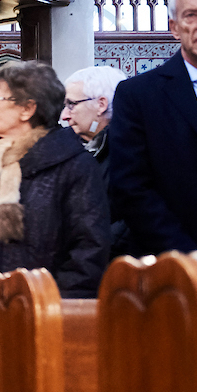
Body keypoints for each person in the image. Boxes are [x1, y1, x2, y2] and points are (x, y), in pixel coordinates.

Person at [0, 61, 110, 298]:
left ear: (27, 109)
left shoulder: (73, 165)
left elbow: (89, 252)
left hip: (48, 315)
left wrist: (47, 304)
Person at [109, 0, 197, 255]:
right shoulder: (138, 95)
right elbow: (131, 188)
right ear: (174, 27)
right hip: (170, 262)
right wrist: (187, 257)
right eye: (191, 15)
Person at [62, 65, 129, 254]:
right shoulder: (71, 148)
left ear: (101, 104)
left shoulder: (129, 152)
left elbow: (131, 218)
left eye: (72, 105)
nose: (65, 115)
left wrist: (92, 248)